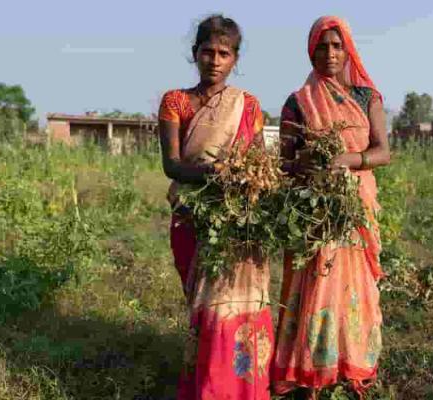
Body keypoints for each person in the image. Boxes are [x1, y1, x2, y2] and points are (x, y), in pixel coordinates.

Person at [272, 16, 391, 398]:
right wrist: (303, 164)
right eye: (322, 46)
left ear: (349, 49)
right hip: (314, 211)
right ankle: (310, 373)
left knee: (353, 290)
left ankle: (348, 363)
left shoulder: (366, 98)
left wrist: (347, 160)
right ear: (311, 51)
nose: (330, 53)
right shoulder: (298, 103)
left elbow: (382, 152)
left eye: (337, 45)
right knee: (316, 287)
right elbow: (283, 163)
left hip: (354, 208)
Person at [157, 14, 272, 400]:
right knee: (204, 310)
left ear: (235, 59)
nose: (215, 60)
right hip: (192, 214)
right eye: (208, 51)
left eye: (224, 53)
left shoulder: (249, 106)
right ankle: (206, 386)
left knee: (237, 307)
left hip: (237, 221)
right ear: (195, 54)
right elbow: (171, 164)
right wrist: (216, 172)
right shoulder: (176, 101)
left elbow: (256, 167)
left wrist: (243, 182)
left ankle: (238, 388)